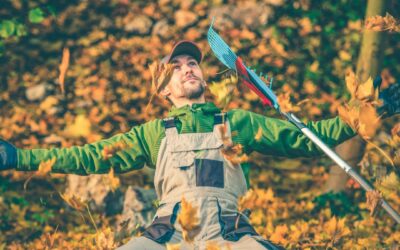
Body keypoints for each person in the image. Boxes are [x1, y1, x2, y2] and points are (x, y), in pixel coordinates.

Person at [0, 40, 399, 250]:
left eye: (192, 63)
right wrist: (17, 156)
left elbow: (308, 140)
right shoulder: (152, 134)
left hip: (230, 234)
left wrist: (365, 114)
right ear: (164, 90)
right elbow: (84, 156)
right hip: (166, 236)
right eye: (175, 67)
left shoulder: (235, 122)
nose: (187, 68)